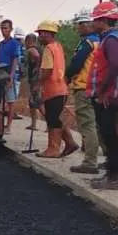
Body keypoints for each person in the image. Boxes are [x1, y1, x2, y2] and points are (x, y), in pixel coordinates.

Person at [86, 0, 118, 190]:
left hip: (109, 96)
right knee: (107, 133)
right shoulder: (108, 39)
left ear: (103, 21)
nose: (93, 23)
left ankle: (113, 178)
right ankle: (110, 174)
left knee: (110, 135)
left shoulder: (111, 40)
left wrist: (103, 91)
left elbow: (116, 65)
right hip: (108, 95)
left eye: (95, 20)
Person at [65, 12, 101, 174]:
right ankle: (104, 155)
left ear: (88, 25)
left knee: (87, 124)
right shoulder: (100, 42)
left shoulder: (87, 43)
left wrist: (67, 76)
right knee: (96, 123)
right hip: (96, 86)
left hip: (84, 86)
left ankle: (90, 162)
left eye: (80, 24)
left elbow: (76, 64)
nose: (78, 28)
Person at [35, 20, 78, 158]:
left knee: (52, 119)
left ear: (48, 34)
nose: (39, 36)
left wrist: (38, 82)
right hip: (60, 88)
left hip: (53, 90)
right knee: (54, 117)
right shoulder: (58, 47)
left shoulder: (48, 49)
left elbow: (47, 70)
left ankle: (53, 149)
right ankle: (70, 143)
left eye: (41, 33)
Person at [0, 18, 24, 131]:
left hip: (9, 76)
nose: (3, 30)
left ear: (10, 29)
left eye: (5, 28)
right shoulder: (1, 44)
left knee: (10, 102)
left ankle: (9, 125)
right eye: (2, 28)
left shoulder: (14, 44)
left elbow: (15, 60)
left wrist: (11, 77)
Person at [22, 32, 44, 131]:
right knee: (33, 103)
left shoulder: (31, 49)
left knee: (37, 102)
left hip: (35, 80)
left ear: (28, 41)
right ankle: (34, 124)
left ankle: (49, 124)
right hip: (37, 79)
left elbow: (36, 57)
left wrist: (36, 68)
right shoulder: (40, 49)